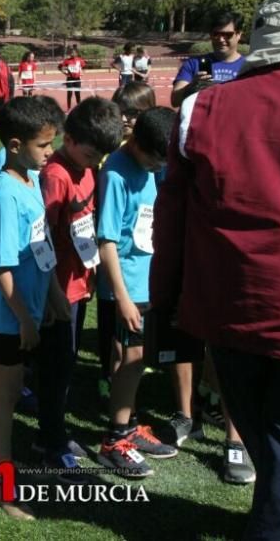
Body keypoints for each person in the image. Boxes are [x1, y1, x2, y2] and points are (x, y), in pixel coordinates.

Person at [153, 0, 280, 538]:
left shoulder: (199, 109)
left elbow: (172, 225)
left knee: (275, 452)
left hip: (227, 314)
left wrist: (167, 307)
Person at [0, 97, 64, 521]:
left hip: (28, 313)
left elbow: (40, 246)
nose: (51, 152)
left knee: (15, 393)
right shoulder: (6, 194)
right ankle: (1, 484)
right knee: (6, 396)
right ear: (14, 144)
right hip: (7, 319)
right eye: (43, 145)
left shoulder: (29, 179)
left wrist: (51, 297)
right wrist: (26, 319)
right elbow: (2, 266)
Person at [35, 98, 123, 475]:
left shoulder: (88, 167)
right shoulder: (55, 176)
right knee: (55, 369)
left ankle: (55, 429)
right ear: (68, 139)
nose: (93, 162)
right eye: (88, 153)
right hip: (58, 291)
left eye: (98, 157)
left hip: (78, 283)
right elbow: (41, 240)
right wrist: (53, 294)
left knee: (66, 364)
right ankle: (48, 438)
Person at [95, 107, 179, 478]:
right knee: (131, 359)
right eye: (157, 158)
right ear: (138, 145)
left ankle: (127, 424)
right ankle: (115, 440)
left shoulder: (149, 166)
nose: (160, 165)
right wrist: (123, 296)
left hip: (148, 279)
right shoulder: (114, 174)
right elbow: (107, 241)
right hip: (128, 285)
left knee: (137, 358)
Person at [170, 12, 246, 108]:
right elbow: (175, 101)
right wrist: (193, 86)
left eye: (227, 35)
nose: (221, 39)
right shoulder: (193, 63)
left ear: (238, 34)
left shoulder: (248, 66)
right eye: (216, 34)